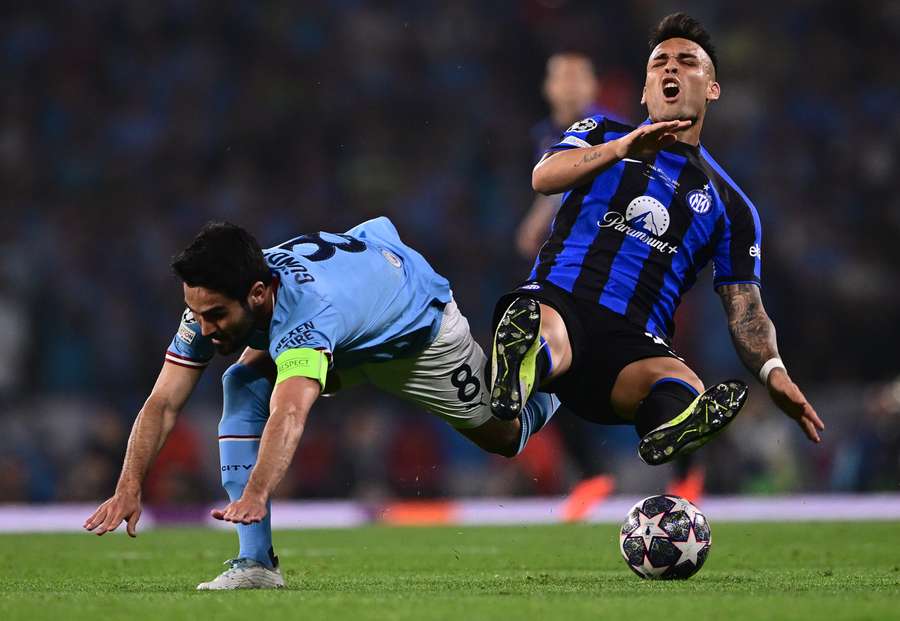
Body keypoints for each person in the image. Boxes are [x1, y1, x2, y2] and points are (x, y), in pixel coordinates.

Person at [83, 217, 557, 589]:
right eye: (197, 313)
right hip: (353, 310)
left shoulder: (308, 317)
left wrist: (257, 492)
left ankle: (556, 371)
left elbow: (290, 412)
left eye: (216, 316)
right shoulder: (229, 288)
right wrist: (128, 484)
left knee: (505, 434)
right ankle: (255, 563)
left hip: (412, 330)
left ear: (258, 293)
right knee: (242, 380)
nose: (205, 328)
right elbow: (163, 402)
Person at [489, 13, 824, 466]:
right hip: (561, 300)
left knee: (683, 384)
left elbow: (745, 308)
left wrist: (773, 371)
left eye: (687, 61)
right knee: (545, 326)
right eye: (659, 62)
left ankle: (667, 428)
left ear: (712, 88)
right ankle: (521, 369)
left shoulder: (731, 205)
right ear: (646, 90)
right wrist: (624, 148)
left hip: (630, 346)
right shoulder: (601, 134)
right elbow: (544, 177)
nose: (670, 68)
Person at [516, 52, 603, 260]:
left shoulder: (611, 131)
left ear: (593, 86)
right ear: (548, 86)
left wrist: (537, 219)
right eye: (564, 77)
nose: (571, 87)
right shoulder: (542, 134)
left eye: (578, 78)